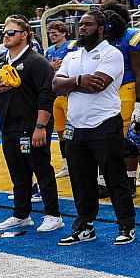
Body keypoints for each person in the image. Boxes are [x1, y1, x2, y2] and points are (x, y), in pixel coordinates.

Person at [52, 9, 136, 246]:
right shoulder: (72, 55)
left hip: (105, 123)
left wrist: (71, 84)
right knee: (80, 179)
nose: (82, 28)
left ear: (101, 29)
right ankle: (84, 226)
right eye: (81, 24)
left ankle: (126, 225)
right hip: (76, 125)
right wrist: (78, 81)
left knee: (114, 177)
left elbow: (97, 85)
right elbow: (55, 84)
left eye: (88, 24)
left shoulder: (112, 53)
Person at [0, 15, 62, 233]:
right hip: (9, 126)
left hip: (32, 126)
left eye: (11, 32)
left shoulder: (37, 62)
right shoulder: (0, 62)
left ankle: (53, 214)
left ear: (24, 35)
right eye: (4, 33)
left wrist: (40, 127)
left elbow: (47, 96)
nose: (6, 36)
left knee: (42, 170)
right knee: (18, 174)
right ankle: (21, 215)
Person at [101, 0, 140, 189]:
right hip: (108, 90)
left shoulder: (132, 37)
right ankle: (113, 177)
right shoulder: (105, 39)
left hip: (127, 87)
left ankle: (136, 174)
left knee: (132, 132)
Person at [45, 21, 77, 178]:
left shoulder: (73, 46)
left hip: (71, 95)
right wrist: (50, 67)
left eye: (54, 33)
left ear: (64, 33)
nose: (51, 35)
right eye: (50, 33)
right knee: (60, 132)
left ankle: (78, 163)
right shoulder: (50, 51)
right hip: (57, 96)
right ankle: (67, 165)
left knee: (74, 131)